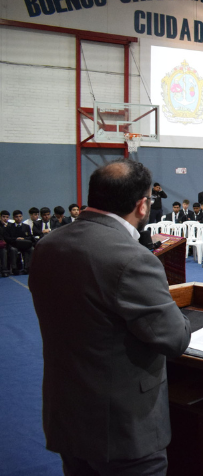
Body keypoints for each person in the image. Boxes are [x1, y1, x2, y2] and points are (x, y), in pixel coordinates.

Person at [29, 159, 191, 475]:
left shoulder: (48, 245)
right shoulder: (131, 259)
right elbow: (175, 338)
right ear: (143, 205)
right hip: (121, 427)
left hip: (68, 413)